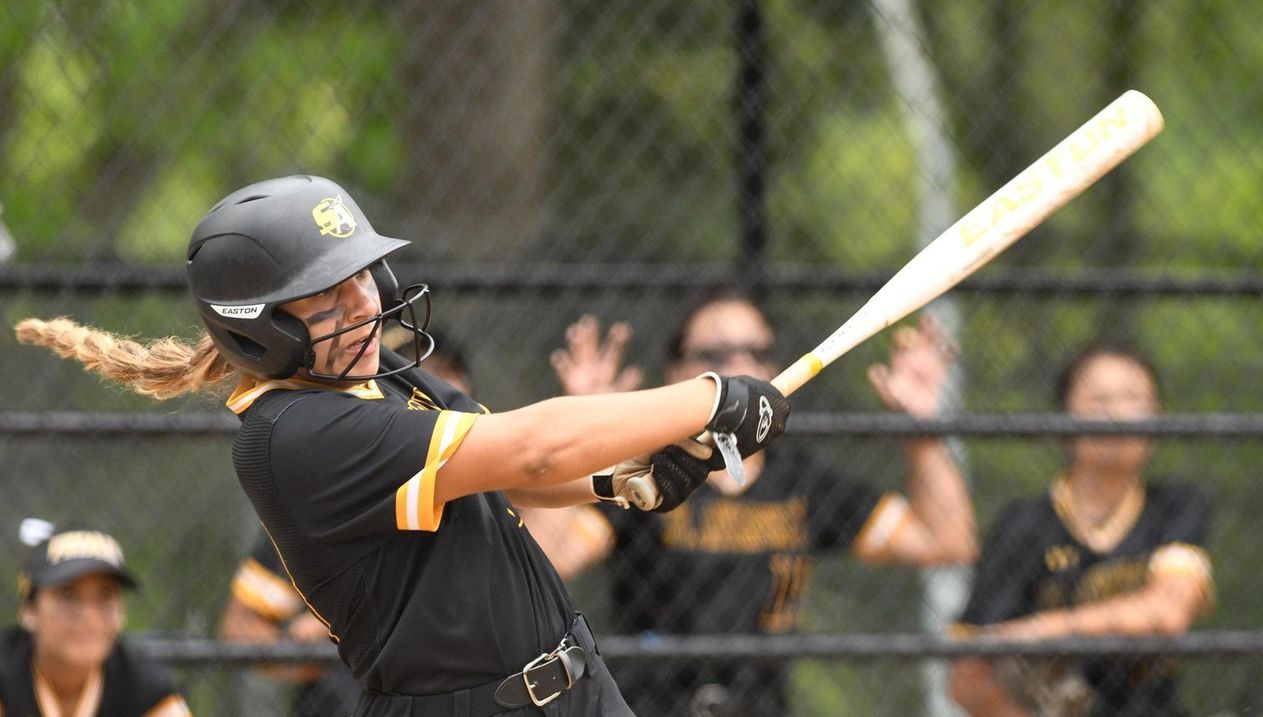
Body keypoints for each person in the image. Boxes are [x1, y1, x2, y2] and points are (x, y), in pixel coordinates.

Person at [14, 174, 791, 717]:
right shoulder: (295, 434)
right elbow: (532, 451)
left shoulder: (371, 371)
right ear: (259, 324)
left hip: (578, 685)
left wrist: (625, 482)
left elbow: (507, 476)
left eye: (360, 274)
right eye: (326, 293)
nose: (366, 301)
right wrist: (711, 397)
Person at [526, 295, 978, 717]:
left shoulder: (801, 482)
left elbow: (945, 540)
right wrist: (581, 432)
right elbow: (551, 556)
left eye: (755, 353)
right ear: (674, 372)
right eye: (716, 357)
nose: (739, 367)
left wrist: (923, 434)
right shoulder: (645, 475)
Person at [947, 343, 1214, 717]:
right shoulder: (1024, 525)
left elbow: (1168, 612)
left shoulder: (1174, 506)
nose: (1118, 414)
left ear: (1158, 418)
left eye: (1134, 399)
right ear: (1064, 418)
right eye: (1099, 400)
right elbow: (967, 677)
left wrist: (1047, 630)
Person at [218, 328, 474, 717]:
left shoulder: (487, 488)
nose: (431, 386)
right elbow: (240, 631)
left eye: (445, 372)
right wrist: (322, 638)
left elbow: (558, 547)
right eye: (416, 372)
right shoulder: (330, 494)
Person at [0, 519, 192, 717]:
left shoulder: (143, 684)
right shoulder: (5, 673)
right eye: (68, 595)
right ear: (29, 610)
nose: (89, 616)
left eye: (105, 596)